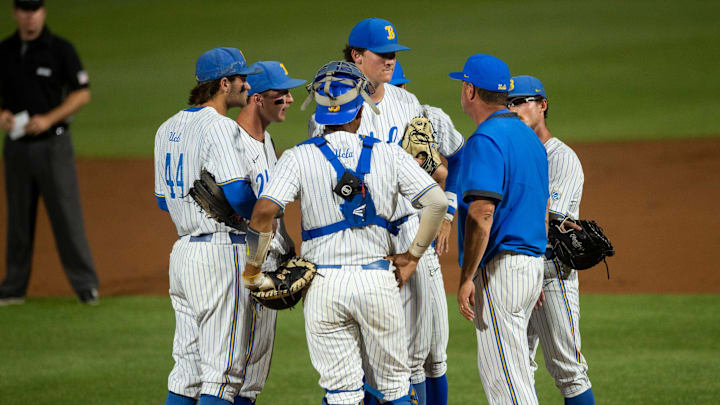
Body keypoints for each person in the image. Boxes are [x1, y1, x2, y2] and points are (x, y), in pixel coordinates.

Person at [243, 61, 448, 405]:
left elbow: (263, 212)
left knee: (341, 393)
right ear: (360, 112)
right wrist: (412, 257)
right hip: (378, 282)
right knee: (396, 387)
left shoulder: (297, 157)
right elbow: (437, 203)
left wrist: (253, 271)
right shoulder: (388, 153)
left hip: (324, 286)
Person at [307, 19, 463, 404]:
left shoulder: (406, 102)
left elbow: (438, 168)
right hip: (359, 240)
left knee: (421, 352)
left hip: (410, 230)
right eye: (383, 54)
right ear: (357, 57)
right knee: (360, 357)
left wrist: (445, 212)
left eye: (394, 54)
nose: (390, 61)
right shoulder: (330, 110)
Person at [154, 46, 266, 405]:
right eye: (241, 79)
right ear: (224, 84)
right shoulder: (219, 127)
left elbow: (162, 200)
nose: (247, 85)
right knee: (223, 373)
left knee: (187, 370)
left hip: (183, 255)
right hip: (220, 256)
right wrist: (256, 218)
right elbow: (236, 191)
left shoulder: (166, 127)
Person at [450, 54, 549, 405]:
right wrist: (534, 266)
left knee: (505, 383)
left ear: (470, 90)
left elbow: (481, 213)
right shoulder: (530, 138)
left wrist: (467, 277)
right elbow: (541, 206)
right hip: (530, 265)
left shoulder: (486, 138)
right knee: (517, 374)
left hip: (503, 272)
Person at [0, 0, 98, 306]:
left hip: (54, 146)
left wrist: (49, 119)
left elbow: (82, 94)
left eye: (35, 9)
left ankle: (85, 286)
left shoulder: (60, 50)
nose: (30, 16)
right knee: (18, 220)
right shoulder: (4, 51)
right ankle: (14, 288)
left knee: (67, 217)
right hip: (16, 148)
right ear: (15, 13)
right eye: (24, 10)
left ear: (42, 12)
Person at [508, 75, 595, 405]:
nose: (514, 108)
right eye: (509, 103)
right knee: (518, 369)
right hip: (520, 270)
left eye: (522, 101)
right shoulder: (517, 157)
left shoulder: (561, 158)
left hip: (553, 275)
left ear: (542, 105)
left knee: (568, 370)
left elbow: (546, 219)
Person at [389, 61, 465, 405]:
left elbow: (459, 161)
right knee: (399, 357)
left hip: (422, 246)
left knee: (434, 354)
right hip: (382, 243)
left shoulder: (428, 116)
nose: (399, 94)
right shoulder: (359, 122)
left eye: (402, 87)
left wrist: (448, 211)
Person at [231, 60, 304, 403]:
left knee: (251, 374)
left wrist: (287, 248)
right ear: (257, 98)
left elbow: (274, 209)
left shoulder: (267, 139)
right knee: (233, 374)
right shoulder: (232, 143)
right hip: (245, 267)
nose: (289, 99)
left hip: (265, 264)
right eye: (282, 93)